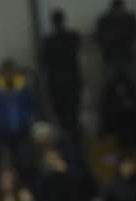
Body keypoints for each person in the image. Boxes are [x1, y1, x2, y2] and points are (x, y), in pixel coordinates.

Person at [42, 10, 83, 138]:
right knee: (73, 111)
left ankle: (67, 138)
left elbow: (44, 62)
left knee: (61, 112)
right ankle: (75, 137)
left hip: (56, 80)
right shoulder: (72, 37)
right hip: (72, 78)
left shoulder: (49, 41)